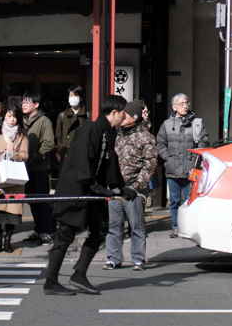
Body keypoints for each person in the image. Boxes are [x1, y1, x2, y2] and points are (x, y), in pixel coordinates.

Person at [44, 94, 127, 296]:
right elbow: (82, 162)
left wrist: (119, 187)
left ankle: (79, 274)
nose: (124, 117)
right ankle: (51, 281)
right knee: (65, 235)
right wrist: (96, 186)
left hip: (92, 190)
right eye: (123, 113)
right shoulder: (89, 129)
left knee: (99, 230)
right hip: (76, 189)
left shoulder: (109, 132)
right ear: (114, 112)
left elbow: (110, 162)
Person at [105, 99, 157, 271]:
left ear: (135, 117)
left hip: (134, 189)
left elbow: (150, 165)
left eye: (126, 114)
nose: (122, 116)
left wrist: (135, 186)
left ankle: (138, 259)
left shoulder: (145, 137)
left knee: (136, 226)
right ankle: (113, 258)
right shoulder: (117, 133)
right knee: (114, 225)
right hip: (115, 188)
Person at [157, 93, 208, 238]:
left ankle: (187, 227)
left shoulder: (197, 123)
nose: (185, 106)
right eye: (182, 103)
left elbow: (204, 142)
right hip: (172, 169)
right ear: (174, 107)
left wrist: (195, 161)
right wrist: (167, 158)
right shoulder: (167, 124)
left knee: (188, 200)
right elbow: (160, 143)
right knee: (174, 201)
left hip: (190, 169)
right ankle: (175, 226)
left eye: (187, 103)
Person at [0, 106, 29, 252]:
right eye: (9, 116)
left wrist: (13, 154)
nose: (12, 119)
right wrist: (3, 151)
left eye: (15, 117)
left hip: (14, 177)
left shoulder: (22, 134)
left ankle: (7, 241)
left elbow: (25, 155)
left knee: (12, 213)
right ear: (4, 117)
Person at [20, 92, 56, 247]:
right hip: (24, 168)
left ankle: (48, 231)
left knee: (42, 200)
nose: (24, 105)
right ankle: (39, 228)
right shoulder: (21, 121)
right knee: (31, 200)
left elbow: (49, 143)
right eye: (23, 102)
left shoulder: (44, 121)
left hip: (39, 167)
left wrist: (36, 155)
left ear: (36, 105)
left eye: (28, 102)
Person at [54, 86, 87, 169]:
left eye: (75, 95)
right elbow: (58, 136)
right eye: (70, 96)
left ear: (81, 98)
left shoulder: (87, 115)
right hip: (65, 153)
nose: (72, 98)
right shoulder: (62, 115)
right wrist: (60, 150)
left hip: (81, 154)